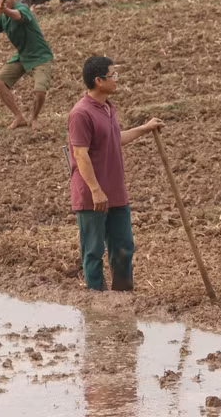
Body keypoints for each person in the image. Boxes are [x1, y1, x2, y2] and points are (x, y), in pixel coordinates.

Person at [68, 56, 163, 291]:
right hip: (93, 194)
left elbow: (114, 139)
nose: (117, 80)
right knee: (93, 250)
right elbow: (80, 154)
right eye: (113, 75)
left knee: (124, 246)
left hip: (116, 191)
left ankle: (123, 297)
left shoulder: (108, 108)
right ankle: (96, 300)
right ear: (98, 81)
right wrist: (95, 190)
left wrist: (145, 128)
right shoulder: (81, 113)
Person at [0, 0, 54, 130]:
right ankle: (19, 117)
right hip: (22, 55)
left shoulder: (22, 8)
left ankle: (34, 118)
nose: (2, 0)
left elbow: (18, 16)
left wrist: (5, 10)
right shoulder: (2, 16)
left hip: (39, 55)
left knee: (40, 91)